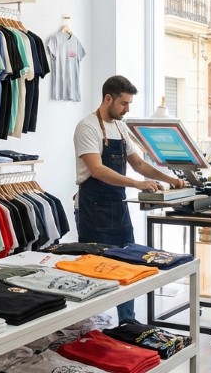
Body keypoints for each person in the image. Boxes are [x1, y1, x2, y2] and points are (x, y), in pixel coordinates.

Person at [74, 75, 186, 323]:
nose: (127, 109)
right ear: (108, 98)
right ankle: (90, 326)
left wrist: (169, 179)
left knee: (128, 266)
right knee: (95, 269)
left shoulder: (120, 127)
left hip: (118, 207)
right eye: (124, 104)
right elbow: (97, 169)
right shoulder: (87, 127)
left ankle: (128, 323)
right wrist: (137, 184)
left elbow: (138, 164)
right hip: (93, 209)